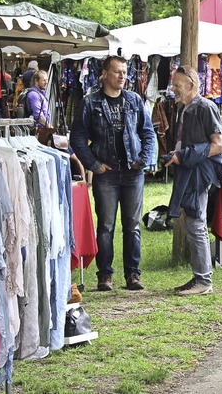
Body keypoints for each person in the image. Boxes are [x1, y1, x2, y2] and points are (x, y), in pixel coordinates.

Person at [70, 55, 156, 291]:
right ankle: (104, 275)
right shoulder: (91, 103)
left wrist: (143, 159)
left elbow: (148, 133)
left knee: (132, 225)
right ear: (105, 74)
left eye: (124, 72)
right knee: (106, 226)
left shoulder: (134, 100)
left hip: (132, 172)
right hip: (106, 173)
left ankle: (133, 274)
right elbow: (76, 137)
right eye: (117, 71)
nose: (122, 76)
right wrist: (93, 164)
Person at [163, 65, 222, 296]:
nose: (173, 90)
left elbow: (219, 145)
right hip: (191, 171)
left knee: (196, 224)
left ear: (192, 85)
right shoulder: (185, 108)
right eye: (173, 85)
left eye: (177, 86)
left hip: (200, 174)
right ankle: (200, 277)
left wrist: (184, 155)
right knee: (193, 223)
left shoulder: (205, 107)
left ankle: (203, 280)